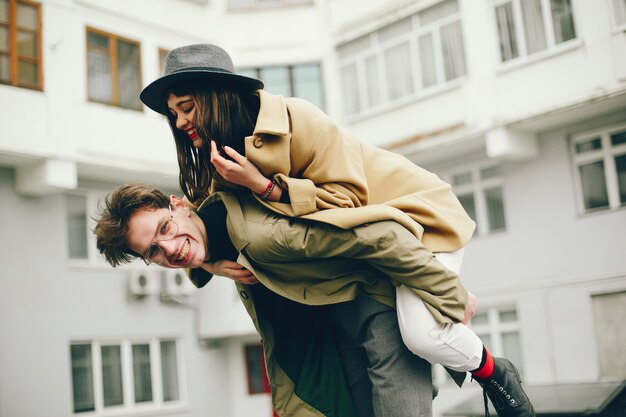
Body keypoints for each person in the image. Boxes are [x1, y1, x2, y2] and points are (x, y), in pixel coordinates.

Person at [94, 183, 534, 417]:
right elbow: (192, 248)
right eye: (152, 251)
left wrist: (448, 293)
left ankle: (496, 372)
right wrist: (204, 265)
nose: (167, 249)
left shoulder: (261, 234)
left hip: (377, 307)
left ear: (179, 204)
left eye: (164, 230)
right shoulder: (203, 243)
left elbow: (376, 236)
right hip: (336, 337)